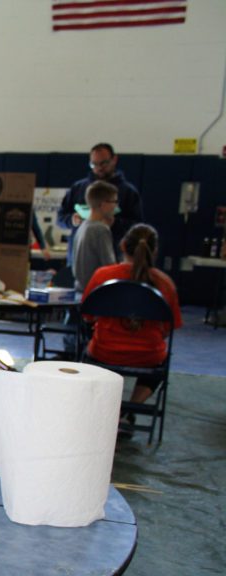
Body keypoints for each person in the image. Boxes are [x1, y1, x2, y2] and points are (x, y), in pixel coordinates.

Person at [83, 223, 182, 432]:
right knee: (161, 359)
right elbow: (168, 328)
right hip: (148, 356)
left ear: (122, 245)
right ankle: (127, 412)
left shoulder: (103, 276)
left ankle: (108, 414)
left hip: (104, 351)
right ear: (154, 251)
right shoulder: (165, 283)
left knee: (90, 353)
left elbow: (88, 316)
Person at [57, 142, 143, 262]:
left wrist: (114, 223)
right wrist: (72, 220)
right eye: (94, 164)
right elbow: (60, 218)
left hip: (114, 256)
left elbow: (137, 226)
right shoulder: (78, 188)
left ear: (114, 159)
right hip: (80, 256)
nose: (99, 168)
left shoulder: (128, 192)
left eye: (103, 163)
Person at [71, 180, 118, 292]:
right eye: (114, 202)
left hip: (80, 289)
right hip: (95, 292)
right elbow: (110, 267)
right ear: (103, 204)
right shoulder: (100, 229)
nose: (116, 206)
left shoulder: (83, 226)